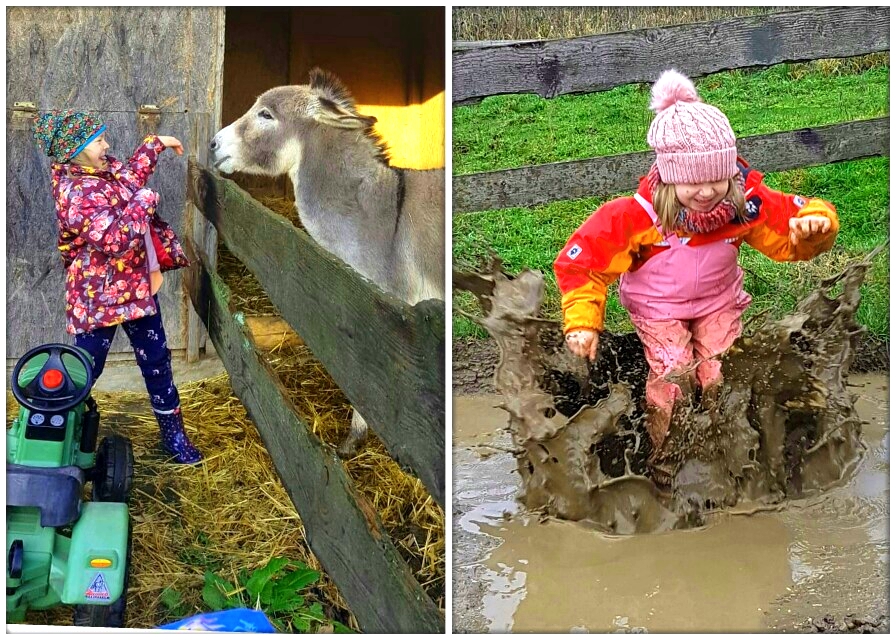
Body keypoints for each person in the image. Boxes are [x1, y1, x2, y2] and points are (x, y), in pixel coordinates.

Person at [553, 69, 838, 476]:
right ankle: (665, 463)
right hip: (658, 309)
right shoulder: (635, 215)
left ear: (731, 170)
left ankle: (727, 454)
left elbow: (794, 220)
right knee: (674, 377)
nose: (706, 193)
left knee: (722, 375)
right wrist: (583, 322)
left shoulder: (745, 203)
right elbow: (582, 263)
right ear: (669, 176)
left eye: (717, 179)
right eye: (692, 182)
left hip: (718, 301)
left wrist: (815, 226)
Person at [33, 110, 202, 464]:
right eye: (98, 141)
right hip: (97, 299)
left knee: (157, 361)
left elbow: (127, 180)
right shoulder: (75, 194)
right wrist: (144, 202)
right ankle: (56, 430)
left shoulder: (103, 169)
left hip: (135, 291)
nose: (107, 144)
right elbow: (113, 239)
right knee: (86, 367)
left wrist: (154, 146)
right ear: (75, 150)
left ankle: (173, 435)